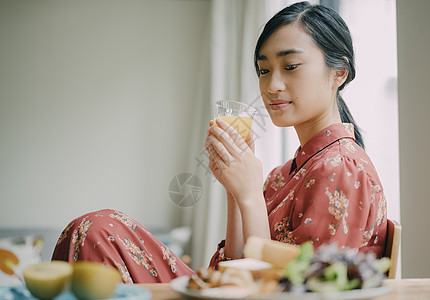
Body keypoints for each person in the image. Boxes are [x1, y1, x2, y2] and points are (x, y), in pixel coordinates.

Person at [52, 1, 387, 283]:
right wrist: (234, 189)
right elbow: (232, 269)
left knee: (97, 229)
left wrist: (250, 196)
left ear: (339, 72)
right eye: (263, 70)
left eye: (290, 66)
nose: (272, 85)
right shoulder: (284, 173)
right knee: (95, 229)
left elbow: (293, 289)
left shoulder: (341, 166)